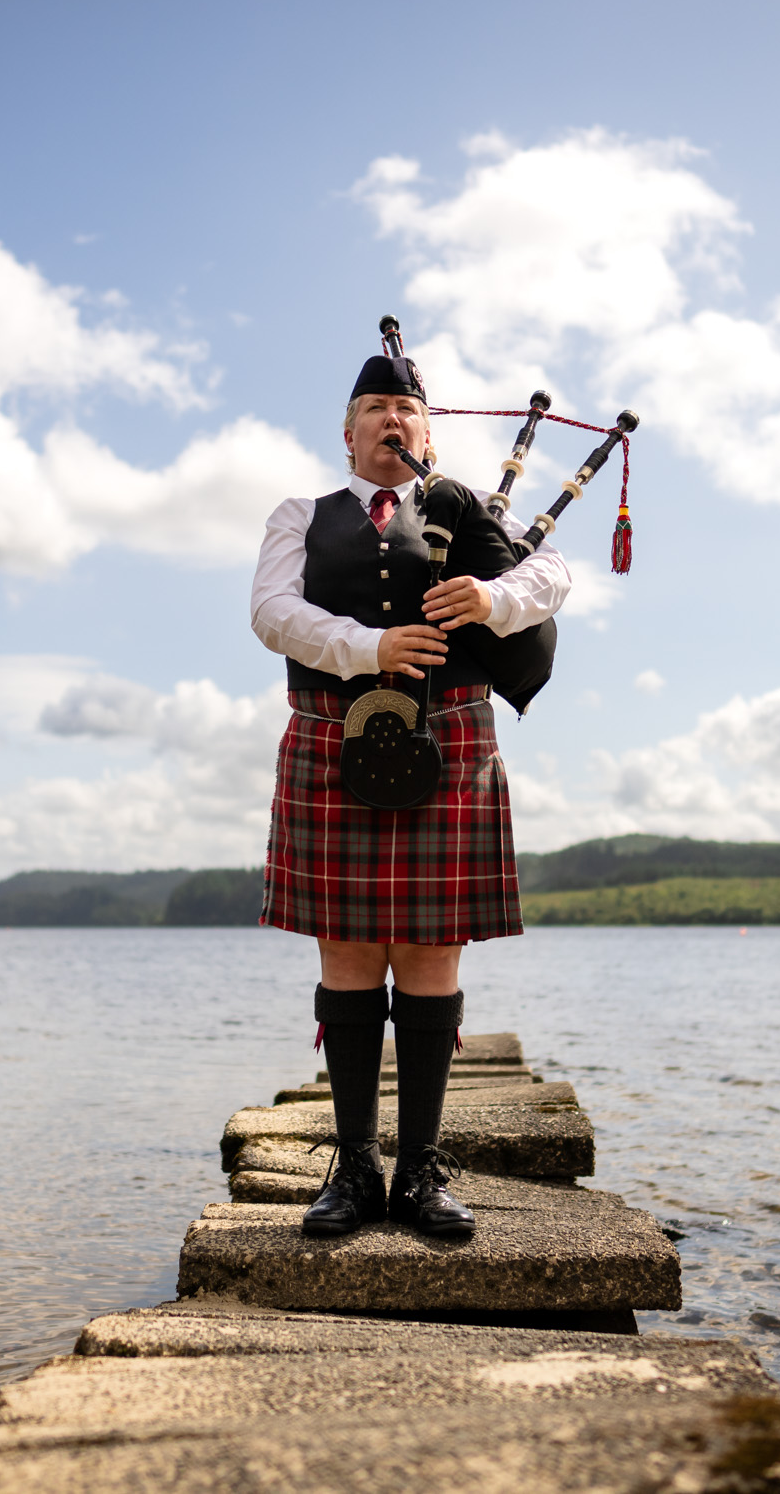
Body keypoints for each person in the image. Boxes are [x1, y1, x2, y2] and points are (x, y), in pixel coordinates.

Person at [249, 347, 571, 1239]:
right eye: (375, 408)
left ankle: (421, 1171)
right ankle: (354, 1171)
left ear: (428, 431)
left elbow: (553, 579)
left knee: (430, 958)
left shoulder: (460, 511)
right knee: (349, 956)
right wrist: (369, 647)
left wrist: (492, 600)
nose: (392, 420)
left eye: (406, 409)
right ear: (347, 433)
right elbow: (271, 612)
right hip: (333, 736)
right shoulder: (299, 516)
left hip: (451, 736)